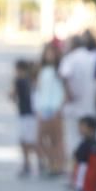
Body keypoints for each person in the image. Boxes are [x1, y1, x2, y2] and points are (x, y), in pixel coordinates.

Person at [59, 32, 96, 168]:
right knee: (89, 139)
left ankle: (75, 171)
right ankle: (87, 170)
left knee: (73, 140)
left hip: (74, 107)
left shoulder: (69, 59)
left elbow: (65, 75)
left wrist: (68, 94)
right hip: (89, 105)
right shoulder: (94, 57)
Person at [33, 43, 65, 176]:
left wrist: (59, 107)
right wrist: (38, 107)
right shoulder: (41, 70)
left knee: (55, 139)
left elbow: (61, 91)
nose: (50, 55)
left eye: (52, 53)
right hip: (43, 108)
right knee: (40, 139)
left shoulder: (60, 70)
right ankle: (47, 161)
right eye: (47, 53)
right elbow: (38, 91)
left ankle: (55, 164)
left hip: (55, 108)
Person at [11, 59, 37, 177]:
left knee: (25, 140)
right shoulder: (31, 80)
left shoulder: (19, 80)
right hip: (32, 112)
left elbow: (12, 95)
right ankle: (32, 162)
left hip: (25, 113)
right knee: (29, 139)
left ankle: (28, 163)